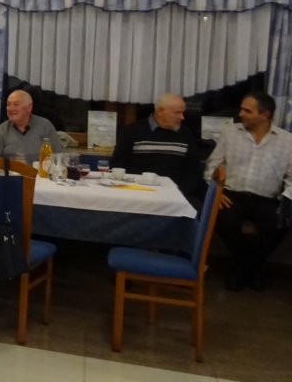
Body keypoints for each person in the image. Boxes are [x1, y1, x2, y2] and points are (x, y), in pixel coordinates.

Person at [204, 91, 292, 291]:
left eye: (247, 110)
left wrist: (287, 200)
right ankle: (252, 269)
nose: (240, 114)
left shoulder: (287, 141)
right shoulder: (230, 133)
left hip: (266, 198)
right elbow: (212, 166)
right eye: (241, 109)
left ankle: (242, 269)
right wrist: (217, 192)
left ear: (264, 115)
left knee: (279, 225)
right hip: (231, 195)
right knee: (223, 221)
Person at [111, 93, 203, 202]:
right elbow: (118, 165)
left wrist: (178, 192)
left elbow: (194, 171)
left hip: (175, 196)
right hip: (137, 193)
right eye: (177, 112)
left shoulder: (185, 134)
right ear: (160, 111)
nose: (182, 117)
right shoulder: (133, 131)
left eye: (183, 112)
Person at [0, 89, 63, 163]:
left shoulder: (45, 126)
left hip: (38, 170)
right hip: (10, 170)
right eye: (8, 104)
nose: (10, 108)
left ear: (29, 107)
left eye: (16, 104)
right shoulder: (2, 130)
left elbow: (57, 157)